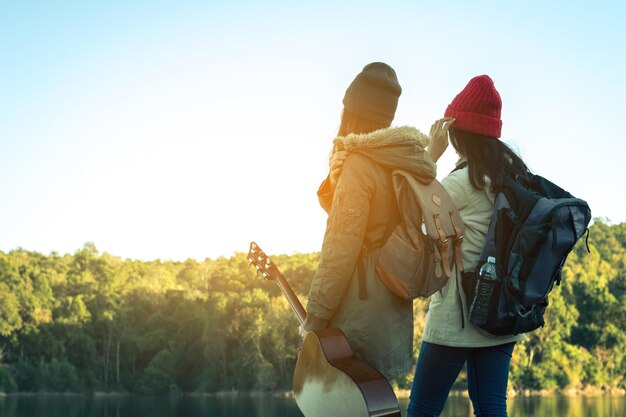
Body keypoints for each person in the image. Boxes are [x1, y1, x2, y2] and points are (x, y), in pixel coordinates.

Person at [301, 62, 437, 380]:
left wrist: (315, 316)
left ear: (351, 112)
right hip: (392, 312)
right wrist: (337, 183)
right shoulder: (403, 161)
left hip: (356, 315)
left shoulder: (360, 165)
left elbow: (341, 246)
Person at [406, 75, 529, 417]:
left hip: (456, 318)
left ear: (459, 132)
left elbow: (416, 221)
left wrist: (431, 152)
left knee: (423, 410)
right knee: (491, 408)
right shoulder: (514, 180)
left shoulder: (459, 182)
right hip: (501, 312)